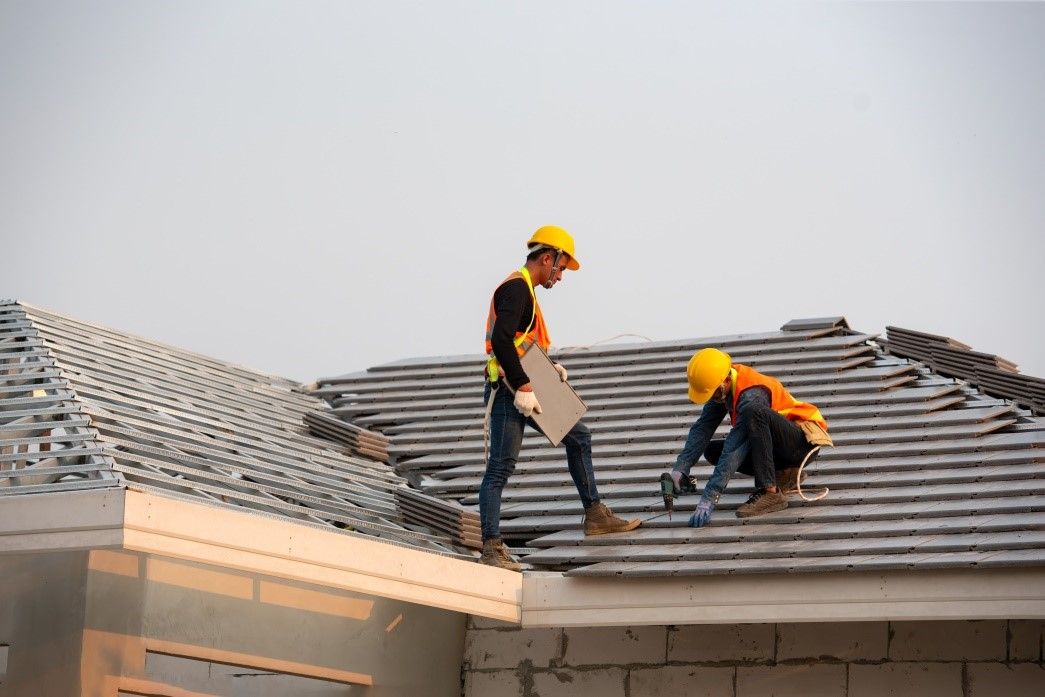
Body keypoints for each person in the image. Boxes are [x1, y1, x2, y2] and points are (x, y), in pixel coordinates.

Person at [479, 225, 641, 570]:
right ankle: (492, 547)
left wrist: (548, 370)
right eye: (562, 268)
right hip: (510, 392)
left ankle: (595, 515)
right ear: (547, 258)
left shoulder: (524, 291)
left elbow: (520, 342)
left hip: (526, 385)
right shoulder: (516, 289)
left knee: (579, 436)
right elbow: (502, 340)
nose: (561, 277)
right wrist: (524, 385)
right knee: (500, 469)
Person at [663, 347, 832, 528]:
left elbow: (734, 448)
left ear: (725, 381)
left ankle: (771, 493)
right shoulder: (723, 388)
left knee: (753, 414)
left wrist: (710, 497)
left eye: (712, 393)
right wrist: (680, 469)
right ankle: (783, 474)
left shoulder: (752, 394)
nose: (711, 398)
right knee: (712, 451)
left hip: (801, 443)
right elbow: (703, 428)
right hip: (779, 447)